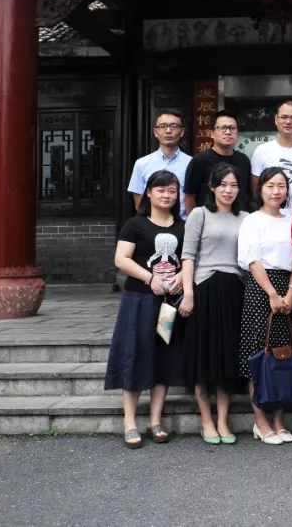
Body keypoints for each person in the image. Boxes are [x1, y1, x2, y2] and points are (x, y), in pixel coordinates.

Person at [105, 169, 186, 449]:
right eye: (161, 190)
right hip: (139, 300)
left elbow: (190, 260)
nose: (167, 195)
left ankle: (155, 420)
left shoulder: (183, 226)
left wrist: (181, 277)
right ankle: (129, 422)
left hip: (169, 304)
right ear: (148, 193)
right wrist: (150, 278)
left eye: (172, 190)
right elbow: (121, 259)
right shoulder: (135, 224)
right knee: (135, 354)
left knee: (163, 357)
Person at [179, 163, 247, 445]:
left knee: (226, 357)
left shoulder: (245, 218)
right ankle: (206, 420)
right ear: (212, 187)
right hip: (204, 290)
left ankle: (222, 420)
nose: (228, 190)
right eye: (223, 185)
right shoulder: (199, 214)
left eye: (233, 185)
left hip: (234, 292)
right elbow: (188, 256)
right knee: (204, 356)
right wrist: (188, 293)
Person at [238, 167, 292, 446]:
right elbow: (252, 261)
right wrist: (273, 294)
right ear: (260, 189)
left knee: (283, 354)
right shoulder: (252, 220)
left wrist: (291, 292)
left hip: (288, 288)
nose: (276, 191)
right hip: (261, 289)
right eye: (270, 186)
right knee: (259, 356)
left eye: (281, 186)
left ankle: (279, 420)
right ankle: (261, 421)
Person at [249, 99, 292, 215]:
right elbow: (255, 188)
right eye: (284, 117)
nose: (288, 121)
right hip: (269, 216)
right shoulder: (261, 151)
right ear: (276, 119)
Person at [184, 110, 252, 216]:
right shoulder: (200, 161)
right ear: (211, 133)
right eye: (223, 128)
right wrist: (197, 220)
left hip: (238, 219)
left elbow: (247, 194)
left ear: (238, 133)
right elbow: (189, 197)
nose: (228, 132)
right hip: (209, 221)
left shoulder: (244, 160)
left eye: (232, 128)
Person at [127, 109, 193, 220]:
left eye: (174, 126)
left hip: (184, 225)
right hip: (151, 226)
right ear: (155, 132)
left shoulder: (192, 163)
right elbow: (139, 204)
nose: (168, 131)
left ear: (182, 132)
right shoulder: (141, 164)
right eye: (163, 126)